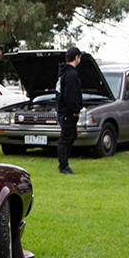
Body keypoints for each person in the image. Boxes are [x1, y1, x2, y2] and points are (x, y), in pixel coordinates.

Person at [56, 47, 83, 175]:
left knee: (71, 136)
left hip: (63, 110)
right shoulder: (71, 74)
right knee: (65, 139)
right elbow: (70, 95)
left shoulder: (63, 73)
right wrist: (75, 109)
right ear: (76, 57)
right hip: (68, 112)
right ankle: (63, 166)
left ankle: (63, 162)